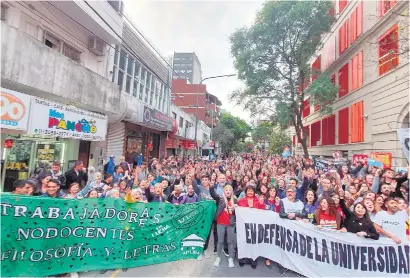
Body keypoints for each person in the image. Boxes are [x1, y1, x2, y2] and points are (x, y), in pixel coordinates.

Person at [278, 185, 307, 275]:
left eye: (292, 192)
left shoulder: (301, 203)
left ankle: (296, 267)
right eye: (288, 192)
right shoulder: (283, 201)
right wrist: (293, 217)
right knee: (285, 246)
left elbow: (305, 214)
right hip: (286, 228)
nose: (290, 193)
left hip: (298, 229)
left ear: (295, 193)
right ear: (286, 193)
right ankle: (283, 265)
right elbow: (281, 214)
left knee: (296, 247)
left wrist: (295, 214)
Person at [210, 184, 236, 268]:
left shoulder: (235, 200)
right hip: (220, 223)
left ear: (231, 191)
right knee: (220, 241)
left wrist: (235, 209)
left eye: (229, 190)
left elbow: (239, 211)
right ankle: (218, 257)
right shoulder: (220, 199)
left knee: (230, 242)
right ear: (224, 191)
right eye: (226, 190)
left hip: (230, 224)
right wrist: (211, 186)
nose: (228, 191)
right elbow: (213, 195)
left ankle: (231, 258)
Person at [237, 185, 264, 269]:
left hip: (254, 225)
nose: (250, 192)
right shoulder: (241, 201)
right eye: (248, 190)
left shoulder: (258, 201)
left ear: (254, 192)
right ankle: (242, 259)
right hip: (243, 225)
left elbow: (262, 211)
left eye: (252, 191)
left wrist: (261, 204)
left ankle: (253, 259)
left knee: (253, 242)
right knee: (244, 241)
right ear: (245, 192)